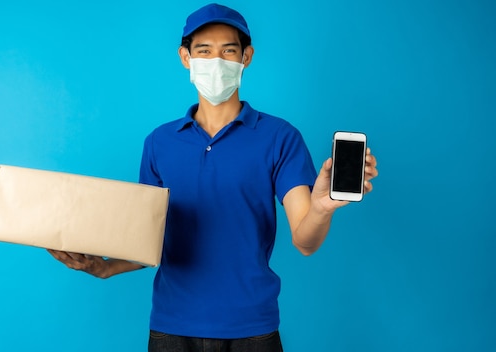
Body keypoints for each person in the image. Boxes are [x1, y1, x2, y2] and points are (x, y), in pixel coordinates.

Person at [48, 3, 378, 351]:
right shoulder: (159, 142)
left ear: (246, 57)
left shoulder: (280, 137)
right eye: (204, 51)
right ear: (185, 57)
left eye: (228, 51)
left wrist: (322, 208)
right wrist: (105, 267)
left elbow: (305, 241)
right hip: (171, 328)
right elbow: (148, 236)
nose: (215, 62)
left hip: (252, 329)